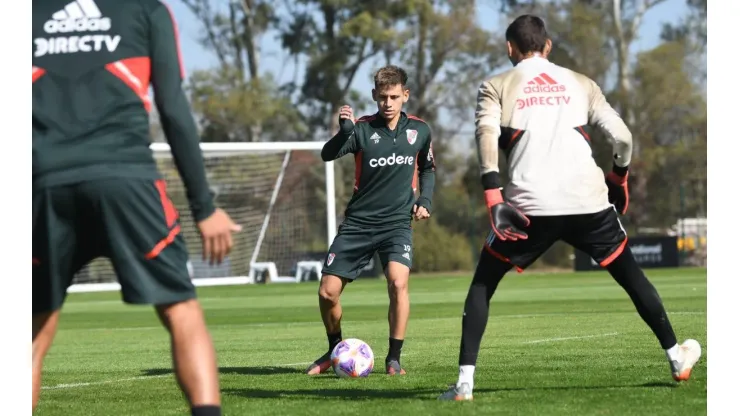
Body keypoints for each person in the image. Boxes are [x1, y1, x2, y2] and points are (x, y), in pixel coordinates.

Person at [438, 14, 701, 401]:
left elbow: (486, 133)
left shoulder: (495, 85)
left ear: (510, 48)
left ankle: (464, 384)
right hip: (587, 201)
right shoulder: (582, 83)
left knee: (483, 284)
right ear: (547, 47)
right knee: (630, 275)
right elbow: (623, 137)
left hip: (529, 205)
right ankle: (676, 357)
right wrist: (619, 178)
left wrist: (493, 194)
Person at [32, 1, 241, 415]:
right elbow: (174, 107)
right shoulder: (146, 9)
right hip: (127, 182)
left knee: (30, 332)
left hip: (43, 186)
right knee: (180, 308)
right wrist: (204, 207)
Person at [305, 65, 436, 376]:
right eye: (382, 97)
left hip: (396, 224)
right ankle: (334, 348)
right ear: (374, 96)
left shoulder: (421, 130)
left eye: (393, 96)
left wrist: (425, 201)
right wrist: (344, 132)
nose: (387, 103)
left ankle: (394, 359)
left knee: (398, 282)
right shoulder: (362, 129)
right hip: (358, 225)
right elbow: (327, 154)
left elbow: (428, 168)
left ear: (405, 95)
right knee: (327, 292)